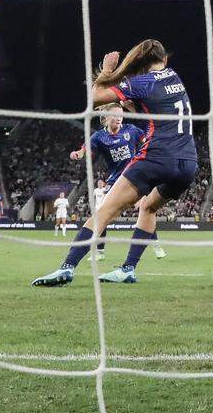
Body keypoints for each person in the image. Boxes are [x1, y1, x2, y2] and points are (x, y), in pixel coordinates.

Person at [33, 39, 196, 286]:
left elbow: (94, 98)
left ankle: (67, 268)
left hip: (156, 157)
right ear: (166, 60)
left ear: (141, 61)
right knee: (149, 207)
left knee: (104, 212)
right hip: (188, 162)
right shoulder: (174, 77)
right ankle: (128, 268)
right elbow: (160, 116)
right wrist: (137, 109)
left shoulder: (141, 82)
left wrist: (108, 70)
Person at [69, 103, 167, 261]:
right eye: (115, 115)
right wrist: (77, 154)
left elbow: (147, 142)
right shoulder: (99, 137)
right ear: (106, 117)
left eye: (121, 115)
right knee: (102, 214)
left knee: (145, 209)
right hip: (115, 181)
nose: (119, 118)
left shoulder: (132, 131)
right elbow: (85, 150)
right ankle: (100, 252)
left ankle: (156, 245)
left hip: (135, 178)